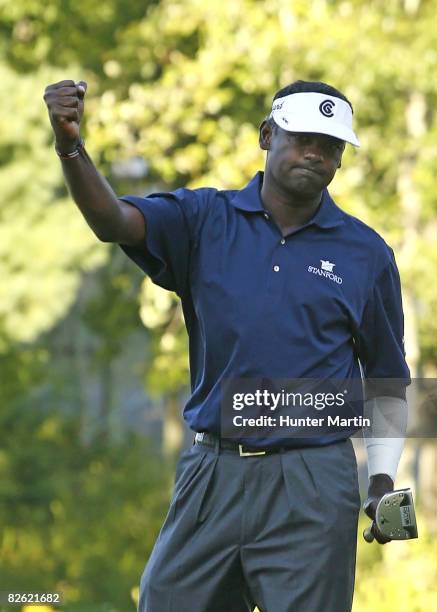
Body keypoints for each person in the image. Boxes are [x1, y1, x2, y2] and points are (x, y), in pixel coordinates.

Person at [44, 78, 410, 611]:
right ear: (266, 135)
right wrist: (70, 146)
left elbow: (386, 379)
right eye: (303, 137)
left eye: (331, 145)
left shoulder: (366, 254)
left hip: (311, 480)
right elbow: (112, 221)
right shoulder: (203, 219)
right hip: (212, 468)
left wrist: (380, 479)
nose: (316, 153)